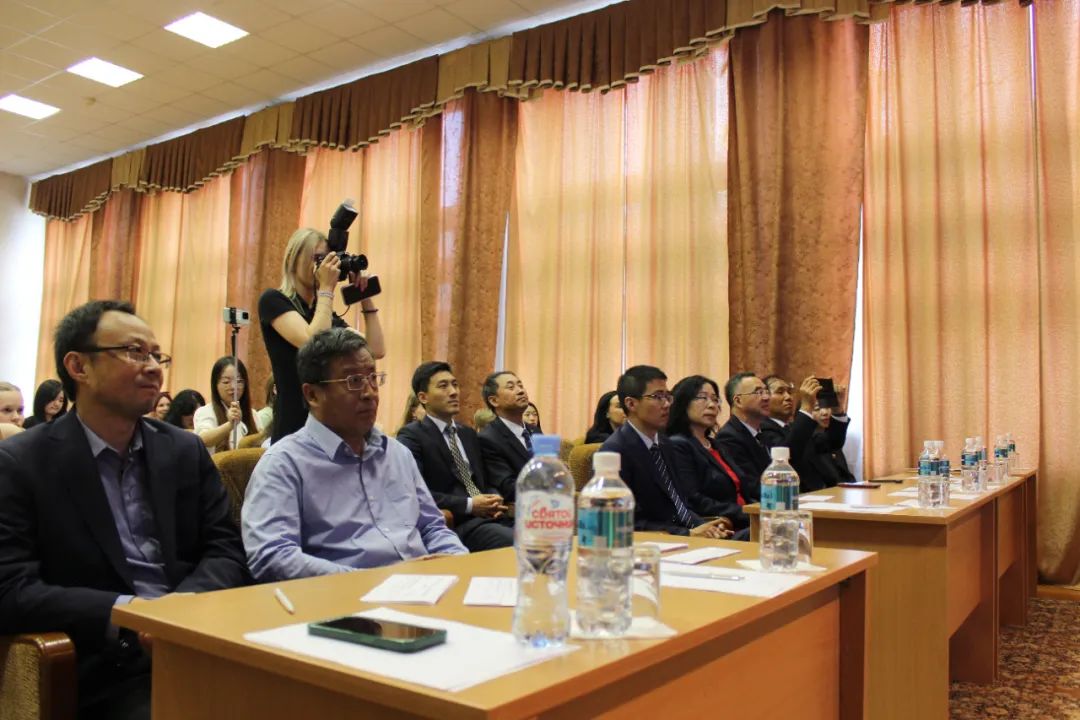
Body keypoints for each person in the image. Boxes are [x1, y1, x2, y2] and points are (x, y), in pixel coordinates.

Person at [0, 300, 249, 720]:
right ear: (79, 366)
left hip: (198, 638)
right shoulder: (22, 463)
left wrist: (178, 610)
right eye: (135, 352)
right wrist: (126, 613)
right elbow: (11, 589)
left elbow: (225, 549)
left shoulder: (183, 450)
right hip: (102, 664)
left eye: (157, 355)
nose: (153, 367)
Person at [242, 329, 465, 582]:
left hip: (424, 587)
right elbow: (272, 556)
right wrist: (375, 580)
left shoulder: (397, 454)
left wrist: (460, 564)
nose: (370, 392)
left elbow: (432, 527)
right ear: (312, 395)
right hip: (344, 597)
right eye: (354, 381)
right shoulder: (283, 464)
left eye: (373, 378)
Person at [258, 227, 385, 444]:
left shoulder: (324, 315)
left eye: (327, 259)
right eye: (317, 259)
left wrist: (364, 296)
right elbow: (312, 342)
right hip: (294, 424)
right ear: (292, 260)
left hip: (330, 423)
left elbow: (375, 349)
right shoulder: (273, 300)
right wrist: (326, 287)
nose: (324, 266)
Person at [600, 366, 731, 539]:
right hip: (652, 544)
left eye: (667, 396)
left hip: (684, 536)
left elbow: (678, 505)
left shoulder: (665, 444)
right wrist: (687, 533)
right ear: (631, 404)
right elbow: (620, 521)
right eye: (657, 397)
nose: (667, 404)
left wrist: (703, 526)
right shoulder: (615, 451)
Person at [397, 362, 513, 552]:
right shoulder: (412, 436)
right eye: (443, 386)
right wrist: (470, 505)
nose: (453, 392)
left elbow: (483, 480)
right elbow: (416, 492)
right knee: (519, 543)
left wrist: (493, 498)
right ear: (423, 397)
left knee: (543, 535)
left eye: (455, 385)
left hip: (491, 517)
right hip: (457, 523)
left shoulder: (467, 433)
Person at [665, 376, 749, 535]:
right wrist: (746, 513)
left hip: (744, 519)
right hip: (720, 526)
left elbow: (744, 488)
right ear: (683, 402)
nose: (712, 405)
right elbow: (694, 499)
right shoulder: (678, 445)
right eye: (702, 398)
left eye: (715, 399)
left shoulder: (716, 445)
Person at [715, 373, 816, 503]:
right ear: (738, 401)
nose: (766, 397)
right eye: (758, 392)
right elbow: (752, 487)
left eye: (766, 392)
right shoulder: (729, 438)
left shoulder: (761, 433)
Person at [761, 375, 852, 491]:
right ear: (764, 399)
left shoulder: (792, 427)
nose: (788, 397)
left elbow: (832, 442)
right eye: (780, 392)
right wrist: (806, 407)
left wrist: (837, 410)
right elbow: (788, 455)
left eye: (789, 392)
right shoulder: (763, 428)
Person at [478, 371, 535, 501]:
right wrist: (549, 485)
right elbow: (508, 487)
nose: (520, 391)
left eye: (520, 385)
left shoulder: (534, 431)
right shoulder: (488, 439)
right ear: (494, 401)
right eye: (511, 387)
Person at [193, 357, 262, 452]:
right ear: (215, 385)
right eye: (226, 382)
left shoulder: (253, 414)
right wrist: (230, 425)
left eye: (239, 381)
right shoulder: (205, 412)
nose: (233, 387)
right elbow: (203, 440)